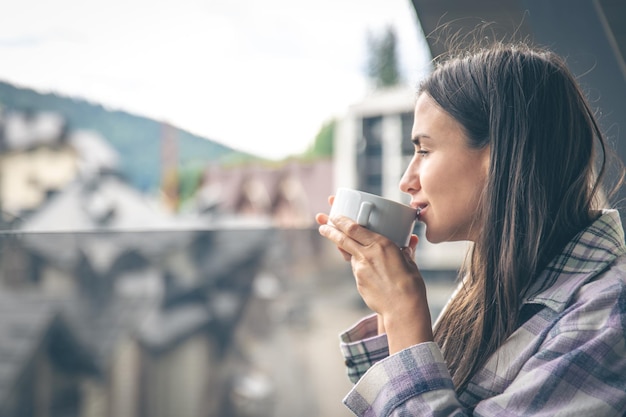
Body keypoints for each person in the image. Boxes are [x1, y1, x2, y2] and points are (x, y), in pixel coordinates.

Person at [316, 41, 626, 416]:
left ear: (498, 157)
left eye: (424, 150)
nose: (406, 181)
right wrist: (388, 304)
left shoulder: (607, 316)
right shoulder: (495, 278)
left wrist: (404, 311)